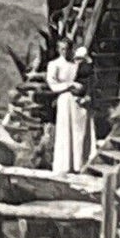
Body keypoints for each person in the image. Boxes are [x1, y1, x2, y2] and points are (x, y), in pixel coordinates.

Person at [45, 37, 95, 174]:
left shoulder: (76, 64)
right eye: (62, 49)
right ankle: (65, 165)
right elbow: (53, 86)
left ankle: (80, 164)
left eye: (67, 49)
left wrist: (86, 94)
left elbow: (88, 78)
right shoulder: (54, 65)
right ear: (58, 49)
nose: (65, 52)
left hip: (78, 103)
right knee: (65, 133)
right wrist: (69, 85)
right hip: (65, 100)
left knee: (79, 134)